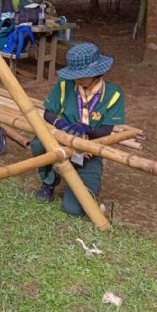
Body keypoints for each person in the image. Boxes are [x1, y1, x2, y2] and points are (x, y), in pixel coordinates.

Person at [32, 43, 125, 216]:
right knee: (38, 143)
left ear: (96, 72)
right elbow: (48, 113)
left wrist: (86, 129)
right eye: (74, 75)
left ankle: (84, 180)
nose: (76, 79)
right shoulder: (65, 84)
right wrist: (62, 125)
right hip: (62, 143)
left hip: (90, 152)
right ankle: (50, 180)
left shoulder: (114, 94)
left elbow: (105, 131)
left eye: (81, 75)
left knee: (73, 209)